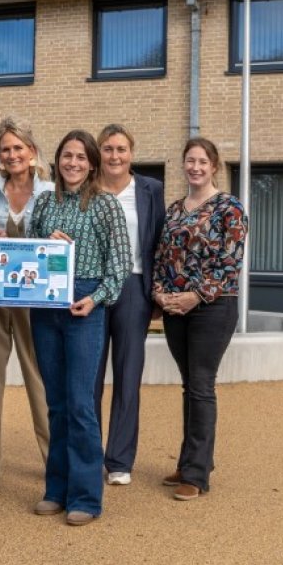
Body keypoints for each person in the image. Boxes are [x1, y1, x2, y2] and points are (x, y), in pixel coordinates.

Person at [27, 130, 131, 526]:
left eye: (80, 157)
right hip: (47, 305)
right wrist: (45, 244)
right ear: (58, 160)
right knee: (56, 402)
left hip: (85, 302)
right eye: (66, 155)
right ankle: (57, 488)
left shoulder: (105, 205)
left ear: (92, 163)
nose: (72, 163)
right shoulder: (44, 202)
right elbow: (31, 253)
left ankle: (86, 496)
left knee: (81, 403)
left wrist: (97, 298)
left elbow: (120, 263)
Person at [153, 137, 246, 501]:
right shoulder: (175, 209)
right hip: (176, 309)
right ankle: (192, 460)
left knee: (202, 386)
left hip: (212, 307)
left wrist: (196, 295)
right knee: (189, 383)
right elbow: (161, 257)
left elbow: (230, 260)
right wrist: (160, 294)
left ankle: (196, 474)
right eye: (189, 160)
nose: (195, 167)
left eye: (202, 161)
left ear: (214, 166)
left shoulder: (229, 208)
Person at [0, 116, 52, 496]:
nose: (12, 154)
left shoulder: (53, 192)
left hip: (38, 300)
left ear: (32, 152)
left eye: (19, 148)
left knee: (44, 381)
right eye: (6, 149)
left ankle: (58, 463)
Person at [94, 124, 165, 486]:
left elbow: (159, 243)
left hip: (134, 287)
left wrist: (157, 295)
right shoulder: (87, 189)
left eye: (121, 149)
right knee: (88, 376)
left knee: (127, 374)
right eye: (107, 149)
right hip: (92, 288)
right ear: (99, 153)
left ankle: (119, 460)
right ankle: (89, 455)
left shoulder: (151, 190)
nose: (114, 156)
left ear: (131, 153)